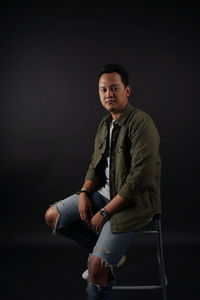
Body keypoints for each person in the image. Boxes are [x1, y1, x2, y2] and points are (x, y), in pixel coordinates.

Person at [44, 63, 161, 300]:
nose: (108, 94)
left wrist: (105, 212)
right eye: (103, 89)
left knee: (97, 269)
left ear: (127, 90)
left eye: (114, 88)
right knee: (53, 216)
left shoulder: (141, 124)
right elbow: (94, 166)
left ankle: (102, 259)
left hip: (133, 204)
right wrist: (85, 193)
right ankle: (111, 254)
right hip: (102, 195)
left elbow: (139, 180)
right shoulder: (104, 124)